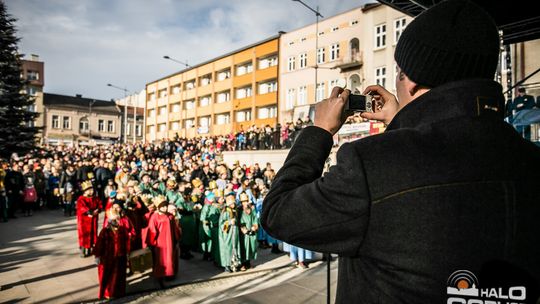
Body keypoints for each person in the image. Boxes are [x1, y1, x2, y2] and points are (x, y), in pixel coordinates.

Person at [261, 0, 540, 302]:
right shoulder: (531, 159)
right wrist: (401, 122)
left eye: (399, 72)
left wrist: (319, 131)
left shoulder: (371, 165)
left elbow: (279, 213)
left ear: (412, 80)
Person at [94, 202, 131, 300]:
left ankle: (119, 292)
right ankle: (108, 293)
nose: (116, 222)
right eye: (114, 220)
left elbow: (127, 242)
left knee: (120, 276)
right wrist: (97, 256)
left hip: (120, 257)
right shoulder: (105, 232)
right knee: (108, 277)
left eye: (117, 219)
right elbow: (99, 245)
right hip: (108, 258)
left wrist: (127, 252)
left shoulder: (123, 230)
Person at [76, 181, 101, 257]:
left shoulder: (95, 198)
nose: (91, 191)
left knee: (93, 234)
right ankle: (83, 249)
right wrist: (89, 212)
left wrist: (98, 210)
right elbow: (81, 207)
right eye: (89, 190)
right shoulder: (81, 199)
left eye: (92, 189)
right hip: (84, 221)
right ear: (85, 191)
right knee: (84, 235)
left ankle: (90, 249)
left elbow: (100, 205)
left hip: (93, 220)